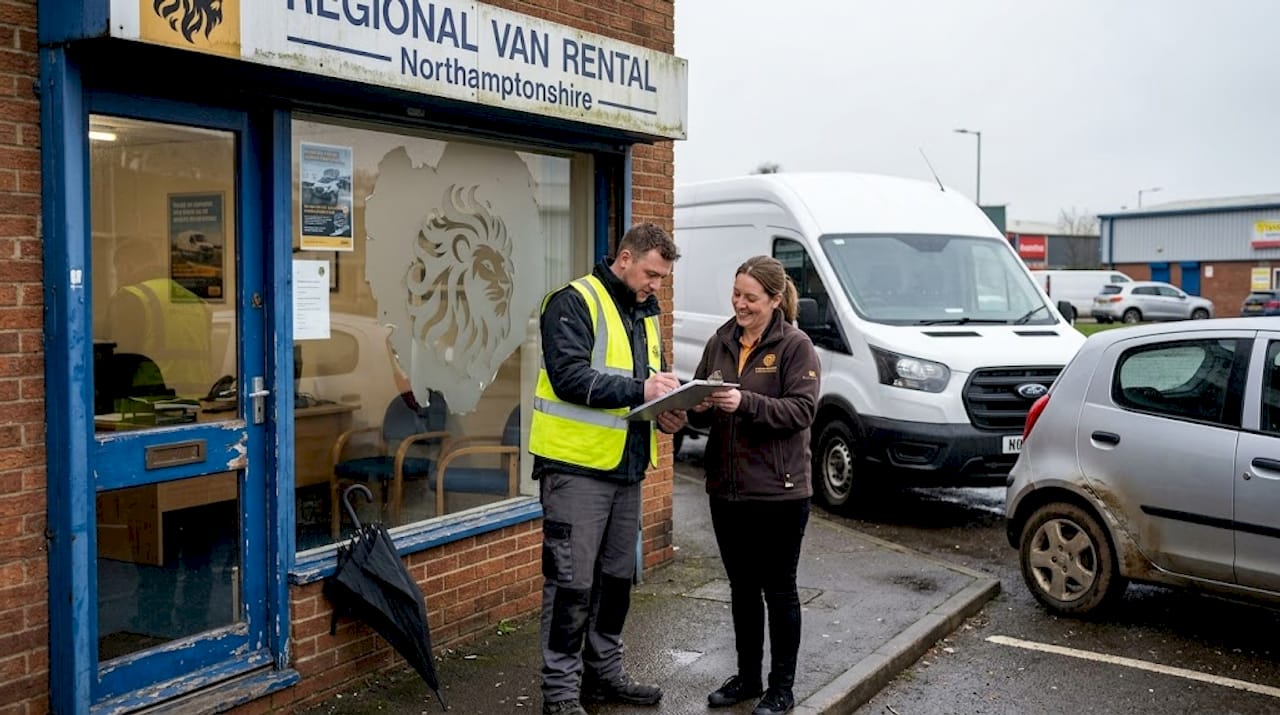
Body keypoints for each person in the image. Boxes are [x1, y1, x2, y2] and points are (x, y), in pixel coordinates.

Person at [529, 223, 687, 715]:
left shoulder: (644, 313)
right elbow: (570, 377)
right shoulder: (573, 301)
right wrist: (644, 392)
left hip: (626, 467)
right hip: (575, 468)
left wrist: (669, 409)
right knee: (571, 584)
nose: (655, 285)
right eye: (651, 274)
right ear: (624, 258)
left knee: (617, 580)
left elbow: (643, 387)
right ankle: (559, 692)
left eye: (662, 278)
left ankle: (605, 675)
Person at [688, 255, 820, 715]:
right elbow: (702, 398)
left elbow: (801, 412)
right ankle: (747, 678)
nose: (739, 304)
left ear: (775, 299)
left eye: (750, 297)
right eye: (736, 294)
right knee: (742, 589)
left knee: (778, 589)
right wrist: (687, 408)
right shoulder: (720, 340)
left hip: (780, 493)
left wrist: (744, 402)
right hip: (727, 490)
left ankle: (780, 688)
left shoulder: (795, 346)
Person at [107, 238, 213, 398]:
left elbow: (119, 362)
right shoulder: (196, 300)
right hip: (198, 405)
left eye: (117, 273)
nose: (118, 279)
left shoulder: (132, 297)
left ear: (126, 266)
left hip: (150, 406)